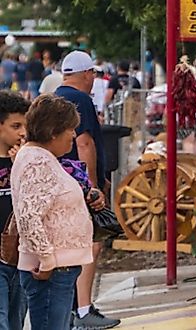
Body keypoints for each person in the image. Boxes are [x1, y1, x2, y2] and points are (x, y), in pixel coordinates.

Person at [11, 95, 93, 330]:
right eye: (70, 129)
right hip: (52, 271)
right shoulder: (38, 162)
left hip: (57, 268)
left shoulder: (39, 157)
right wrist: (47, 261)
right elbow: (29, 215)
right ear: (53, 131)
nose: (74, 135)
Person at [54, 51, 118, 329]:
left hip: (58, 179)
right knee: (91, 242)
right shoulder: (80, 100)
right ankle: (83, 309)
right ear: (85, 74)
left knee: (68, 246)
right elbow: (85, 144)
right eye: (92, 73)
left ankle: (69, 310)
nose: (94, 78)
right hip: (78, 181)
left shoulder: (54, 97)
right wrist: (93, 185)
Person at [0, 91, 28, 330]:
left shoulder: (26, 159)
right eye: (15, 125)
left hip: (20, 255)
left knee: (15, 321)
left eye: (25, 126)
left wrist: (21, 165)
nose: (22, 132)